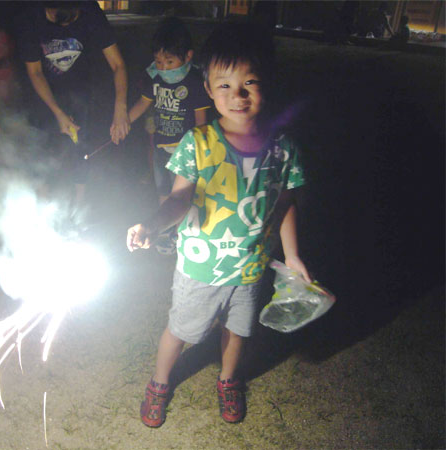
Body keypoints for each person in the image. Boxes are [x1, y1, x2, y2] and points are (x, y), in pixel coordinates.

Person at [126, 22, 311, 427]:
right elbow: (179, 198)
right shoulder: (199, 142)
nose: (237, 95)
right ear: (207, 87)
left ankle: (228, 380)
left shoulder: (283, 148)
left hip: (249, 266)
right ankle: (159, 382)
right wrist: (154, 225)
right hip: (200, 266)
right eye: (224, 85)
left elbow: (285, 200)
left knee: (238, 329)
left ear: (267, 83)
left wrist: (292, 255)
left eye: (249, 83)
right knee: (181, 329)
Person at [17, 1, 130, 206]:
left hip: (79, 93)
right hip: (40, 95)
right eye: (57, 18)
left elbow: (118, 64)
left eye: (73, 18)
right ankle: (42, 209)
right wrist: (57, 112)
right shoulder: (30, 16)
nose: (66, 25)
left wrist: (120, 108)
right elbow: (35, 72)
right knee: (38, 149)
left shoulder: (89, 9)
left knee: (81, 149)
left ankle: (78, 208)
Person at [128, 16, 211, 255]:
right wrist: (122, 123)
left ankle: (180, 233)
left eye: (170, 61)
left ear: (188, 56)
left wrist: (201, 150)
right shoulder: (155, 78)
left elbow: (202, 123)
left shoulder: (195, 83)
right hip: (161, 147)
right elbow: (141, 105)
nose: (163, 67)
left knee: (181, 194)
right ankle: (164, 232)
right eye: (158, 61)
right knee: (163, 190)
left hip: (185, 153)